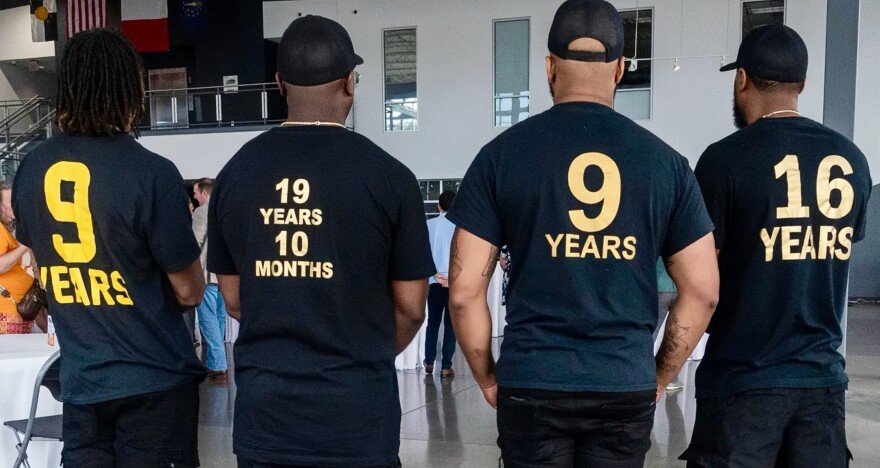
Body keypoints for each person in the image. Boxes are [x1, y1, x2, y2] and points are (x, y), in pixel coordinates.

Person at [446, 1, 719, 466]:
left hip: (532, 379)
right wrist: (655, 377)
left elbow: (464, 292)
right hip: (623, 381)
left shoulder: (500, 156)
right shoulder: (667, 165)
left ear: (549, 67)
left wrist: (489, 378)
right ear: (620, 70)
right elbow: (704, 291)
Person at [207, 15, 434, 467]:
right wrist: (363, 355)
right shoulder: (391, 178)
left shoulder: (234, 177)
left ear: (278, 84)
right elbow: (411, 307)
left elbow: (233, 300)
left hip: (267, 419)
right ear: (351, 83)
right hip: (358, 418)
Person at [11, 28, 206, 467]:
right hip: (154, 379)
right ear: (127, 87)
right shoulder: (151, 172)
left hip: (82, 382)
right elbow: (191, 291)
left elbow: (38, 257)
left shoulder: (32, 168)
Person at [681, 24, 871, 468]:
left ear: (741, 79)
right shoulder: (853, 161)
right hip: (822, 386)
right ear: (801, 84)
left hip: (741, 384)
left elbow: (701, 278)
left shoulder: (724, 160)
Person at [192, 177, 228, 381]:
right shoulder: (227, 210)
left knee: (208, 319)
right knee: (220, 319)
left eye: (196, 192)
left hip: (207, 274)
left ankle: (217, 365)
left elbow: (195, 242)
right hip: (226, 274)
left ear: (205, 193)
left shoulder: (202, 211)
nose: (194, 195)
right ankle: (219, 360)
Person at [424, 190, 458, 377]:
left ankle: (429, 361)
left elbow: (423, 252)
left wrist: (435, 274)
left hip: (433, 280)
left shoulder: (428, 225)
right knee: (451, 325)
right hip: (453, 282)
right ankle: (446, 366)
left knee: (433, 322)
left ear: (438, 206)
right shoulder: (461, 227)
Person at [0, 181, 37, 334]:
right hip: (5, 315)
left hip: (18, 313)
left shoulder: (10, 232)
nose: (16, 205)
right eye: (10, 202)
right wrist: (24, 245)